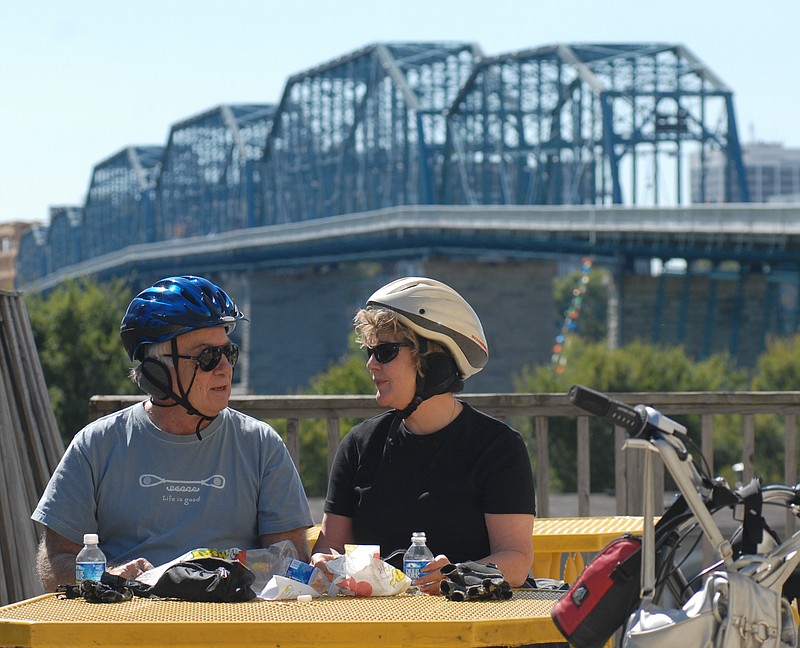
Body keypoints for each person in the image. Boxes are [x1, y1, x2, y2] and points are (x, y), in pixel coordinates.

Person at [32, 275, 313, 591]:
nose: (225, 368)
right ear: (156, 369)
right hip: (127, 627)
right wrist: (108, 577)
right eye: (207, 357)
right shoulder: (95, 445)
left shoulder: (262, 445)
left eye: (229, 353)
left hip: (233, 627)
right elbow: (56, 562)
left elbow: (290, 563)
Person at [311, 276, 535, 593]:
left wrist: (459, 575)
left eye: (385, 352)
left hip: (466, 624)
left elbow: (516, 558)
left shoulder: (498, 447)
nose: (371, 364)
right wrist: (324, 563)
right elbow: (329, 548)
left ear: (433, 359)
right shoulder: (359, 445)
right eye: (370, 352)